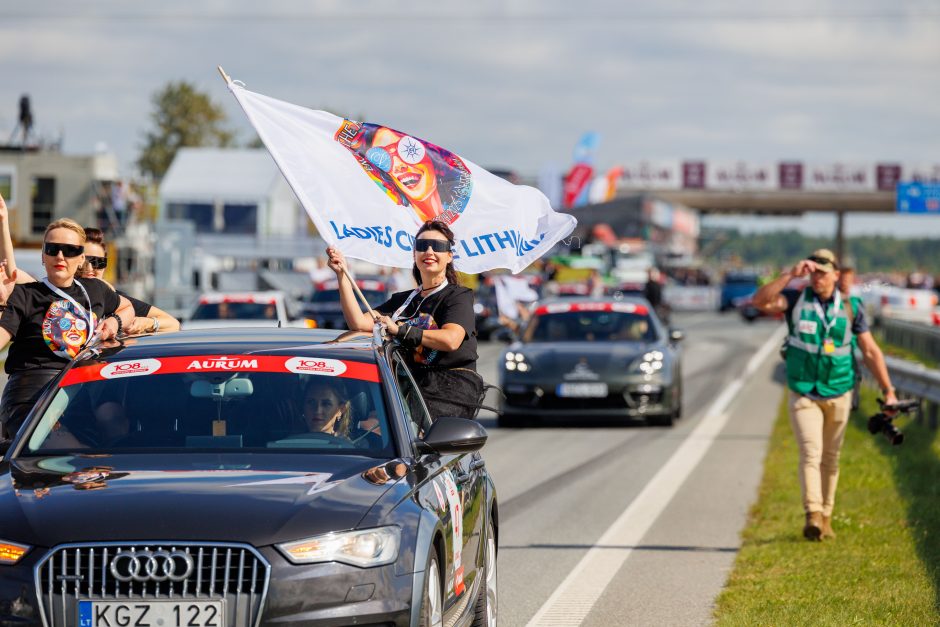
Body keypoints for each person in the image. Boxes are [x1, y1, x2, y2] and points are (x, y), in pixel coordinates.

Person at [753, 248, 898, 541]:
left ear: (835, 274)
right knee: (811, 452)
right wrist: (789, 275)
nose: (817, 277)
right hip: (804, 390)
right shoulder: (795, 299)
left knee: (831, 458)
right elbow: (761, 301)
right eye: (813, 271)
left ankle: (827, 517)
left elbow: (870, 351)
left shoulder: (851, 308)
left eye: (823, 272)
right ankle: (813, 515)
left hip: (839, 389)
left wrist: (889, 390)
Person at [327, 220, 483, 419]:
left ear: (449, 256)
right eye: (421, 246)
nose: (428, 251)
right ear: (414, 254)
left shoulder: (457, 296)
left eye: (437, 247)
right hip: (406, 387)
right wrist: (342, 274)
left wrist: (401, 330)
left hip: (447, 392)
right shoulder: (402, 300)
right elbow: (358, 323)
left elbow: (451, 339)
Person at [0, 219, 134, 440]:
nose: (60, 256)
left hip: (78, 395)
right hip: (33, 396)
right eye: (52, 249)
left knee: (100, 459)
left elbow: (127, 307)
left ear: (81, 258)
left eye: (70, 250)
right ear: (43, 256)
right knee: (66, 456)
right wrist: (2, 303)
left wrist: (115, 322)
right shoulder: (26, 294)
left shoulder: (96, 290)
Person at [0, 194, 178, 336]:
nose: (90, 268)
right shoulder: (47, 291)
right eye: (84, 260)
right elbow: (11, 272)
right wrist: (3, 221)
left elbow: (173, 324)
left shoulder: (112, 297)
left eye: (98, 262)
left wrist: (145, 323)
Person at [334, 121, 473, 224]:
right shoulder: (396, 224)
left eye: (405, 152)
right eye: (384, 158)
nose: (399, 166)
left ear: (431, 158)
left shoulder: (468, 219)